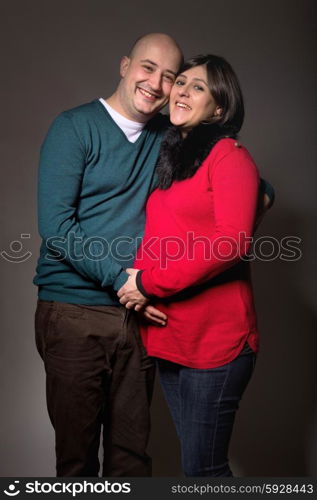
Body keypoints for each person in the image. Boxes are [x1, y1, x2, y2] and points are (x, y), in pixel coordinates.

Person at [33, 32, 183, 477]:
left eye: (170, 76)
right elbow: (56, 228)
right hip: (73, 312)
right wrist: (122, 279)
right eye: (147, 67)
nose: (155, 84)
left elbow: (228, 166)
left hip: (138, 318)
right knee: (76, 460)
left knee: (132, 461)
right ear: (124, 66)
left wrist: (262, 195)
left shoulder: (168, 138)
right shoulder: (74, 127)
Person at [118, 54, 269, 476]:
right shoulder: (174, 157)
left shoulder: (228, 155)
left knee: (204, 472)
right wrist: (139, 288)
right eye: (180, 82)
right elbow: (164, 234)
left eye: (198, 87)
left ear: (219, 108)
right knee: (195, 467)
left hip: (216, 341)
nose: (182, 91)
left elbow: (231, 241)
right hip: (171, 335)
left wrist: (149, 283)